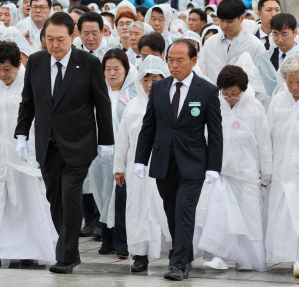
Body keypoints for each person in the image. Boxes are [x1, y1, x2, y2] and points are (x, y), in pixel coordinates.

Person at [15, 12, 114, 274]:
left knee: (71, 196)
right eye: (49, 39)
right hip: (48, 144)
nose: (54, 45)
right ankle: (68, 248)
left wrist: (106, 140)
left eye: (60, 39)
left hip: (79, 143)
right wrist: (21, 134)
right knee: (55, 200)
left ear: (73, 36)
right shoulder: (36, 62)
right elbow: (28, 102)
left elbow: (101, 103)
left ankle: (67, 256)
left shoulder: (88, 63)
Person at [134, 39, 223, 281]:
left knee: (185, 210)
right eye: (170, 60)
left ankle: (179, 262)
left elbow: (215, 132)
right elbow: (148, 126)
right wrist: (140, 159)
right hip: (164, 161)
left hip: (193, 162)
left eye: (180, 60)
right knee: (171, 210)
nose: (174, 65)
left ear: (193, 61)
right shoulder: (160, 88)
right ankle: (184, 252)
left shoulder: (206, 90)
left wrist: (214, 166)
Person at [0, 41, 57, 268]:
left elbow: (41, 121)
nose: (2, 74)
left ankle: (29, 249)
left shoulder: (31, 84)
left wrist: (41, 155)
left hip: (24, 156)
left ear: (18, 65)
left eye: (7, 69)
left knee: (27, 203)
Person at [196, 65, 271, 272]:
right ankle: (220, 255)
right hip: (221, 171)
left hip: (246, 172)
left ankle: (246, 258)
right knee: (220, 216)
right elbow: (205, 136)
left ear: (243, 90)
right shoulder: (215, 104)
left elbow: (264, 143)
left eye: (235, 94)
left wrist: (266, 173)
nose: (230, 98)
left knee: (248, 216)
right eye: (226, 94)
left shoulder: (254, 108)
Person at [114, 55, 171, 273]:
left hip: (163, 168)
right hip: (137, 169)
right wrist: (118, 168)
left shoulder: (170, 104)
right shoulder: (133, 107)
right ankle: (139, 255)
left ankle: (174, 252)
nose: (149, 85)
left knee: (163, 210)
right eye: (145, 80)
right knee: (137, 211)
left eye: (155, 79)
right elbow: (123, 140)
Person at [89, 48, 137, 259]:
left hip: (125, 154)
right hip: (101, 155)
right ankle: (107, 240)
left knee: (121, 199)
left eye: (117, 68)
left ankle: (122, 242)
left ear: (126, 69)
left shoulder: (134, 93)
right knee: (103, 196)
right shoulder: (97, 91)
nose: (112, 73)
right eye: (107, 69)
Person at [265, 55, 299, 276]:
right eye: (290, 82)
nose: (294, 87)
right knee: (286, 211)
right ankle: (291, 254)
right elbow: (267, 136)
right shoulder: (277, 101)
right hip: (282, 164)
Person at [198, 0, 265, 83]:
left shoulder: (255, 45)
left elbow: (261, 80)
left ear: (241, 18)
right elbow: (203, 73)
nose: (224, 25)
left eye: (230, 21)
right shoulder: (210, 43)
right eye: (221, 21)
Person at [258, 13, 299, 97]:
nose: (279, 40)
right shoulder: (265, 58)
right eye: (275, 34)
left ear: (295, 33)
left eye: (284, 34)